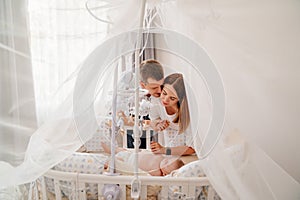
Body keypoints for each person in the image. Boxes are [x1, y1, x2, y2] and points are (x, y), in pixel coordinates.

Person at [149, 73, 195, 156]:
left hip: (185, 156)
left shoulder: (188, 114)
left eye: (172, 98)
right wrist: (157, 125)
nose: (165, 100)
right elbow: (152, 121)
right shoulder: (157, 103)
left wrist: (164, 150)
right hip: (168, 154)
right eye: (164, 93)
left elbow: (192, 149)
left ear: (180, 100)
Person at [123, 59, 165, 149]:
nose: (160, 91)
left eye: (161, 86)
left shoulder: (163, 97)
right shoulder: (134, 98)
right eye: (154, 87)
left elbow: (157, 120)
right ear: (142, 85)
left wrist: (155, 124)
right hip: (136, 129)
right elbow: (128, 120)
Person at [101, 142, 184, 176]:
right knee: (122, 150)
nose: (166, 161)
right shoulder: (162, 156)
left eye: (167, 165)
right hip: (131, 155)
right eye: (168, 160)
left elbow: (146, 176)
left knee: (116, 163)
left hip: (128, 163)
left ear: (165, 174)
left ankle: (107, 162)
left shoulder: (157, 172)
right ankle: (110, 149)